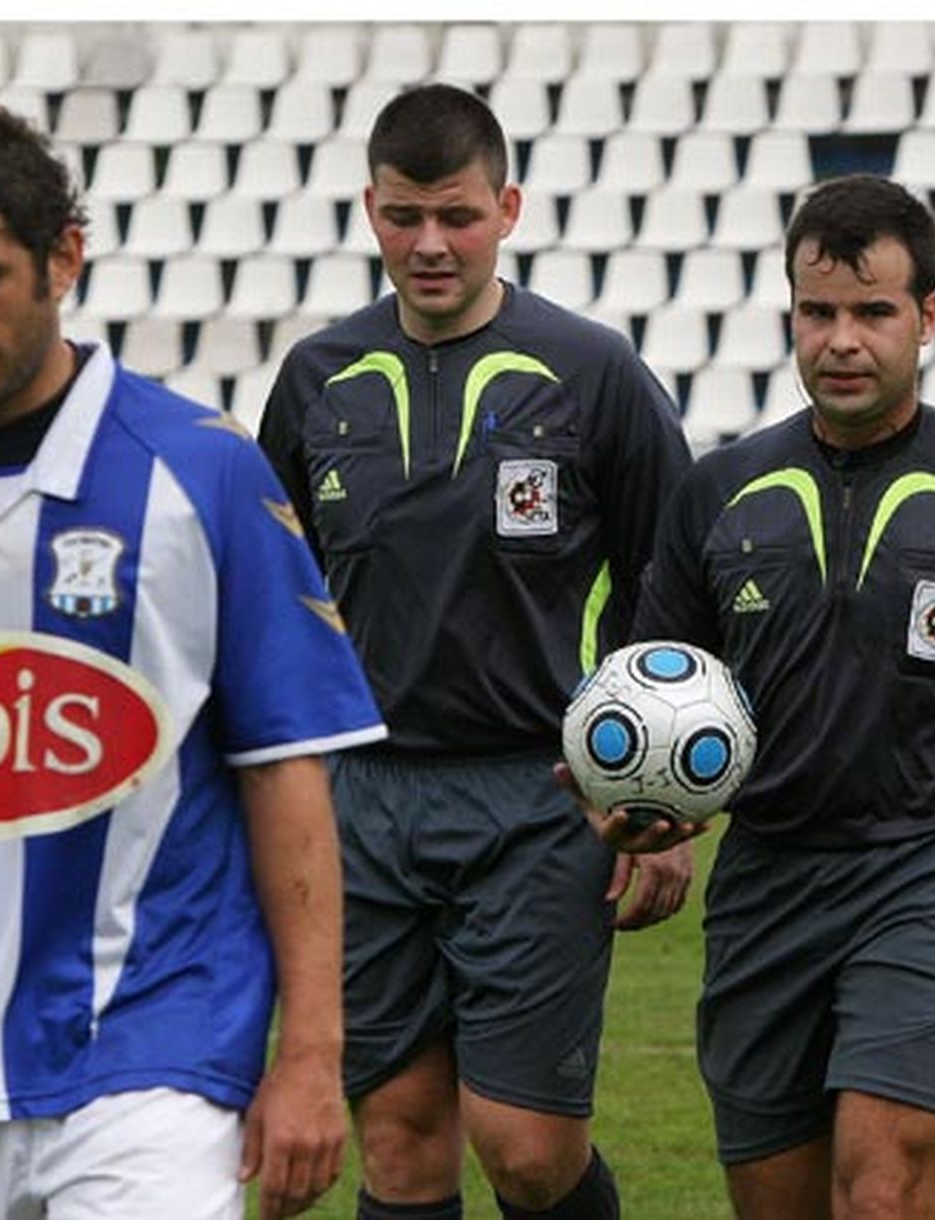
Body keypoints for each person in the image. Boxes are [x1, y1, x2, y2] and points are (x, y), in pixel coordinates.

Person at [582, 173, 935, 1219]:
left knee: (880, 1186)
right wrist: (641, 819)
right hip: (766, 882)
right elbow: (649, 695)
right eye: (818, 313)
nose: (841, 340)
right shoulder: (718, 495)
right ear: (790, 316)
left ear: (927, 317)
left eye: (872, 311)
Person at [0, 97, 387, 1220]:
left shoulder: (199, 473)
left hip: (150, 1044)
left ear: (63, 256)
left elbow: (284, 768)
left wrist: (310, 1055)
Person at [257, 83, 693, 1220]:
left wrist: (660, 806)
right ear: (370, 211)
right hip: (365, 799)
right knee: (398, 1141)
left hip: (542, 796)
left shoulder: (593, 372)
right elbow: (272, 597)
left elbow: (678, 591)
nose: (430, 243)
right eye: (405, 216)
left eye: (455, 214)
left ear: (506, 207)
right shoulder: (314, 379)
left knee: (529, 1150)